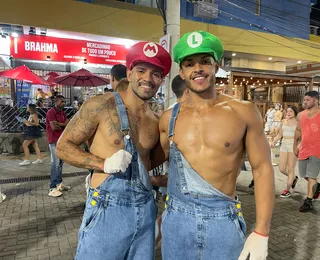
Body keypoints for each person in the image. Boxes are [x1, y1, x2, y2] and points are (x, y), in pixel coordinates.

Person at [157, 31, 274, 260]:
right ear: (182, 72)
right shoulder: (168, 118)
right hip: (177, 221)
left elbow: (262, 169)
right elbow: (156, 165)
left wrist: (262, 232)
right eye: (189, 64)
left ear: (216, 66)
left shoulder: (243, 112)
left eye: (204, 62)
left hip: (223, 220)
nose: (197, 68)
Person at [56, 41, 171, 260]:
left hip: (145, 210)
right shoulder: (100, 105)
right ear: (129, 73)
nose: (148, 78)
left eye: (156, 73)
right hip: (107, 210)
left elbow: (144, 164)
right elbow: (63, 147)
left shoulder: (156, 119)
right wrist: (103, 164)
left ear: (161, 80)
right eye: (141, 70)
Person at [294, 90, 320, 212]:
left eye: (308, 100)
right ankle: (317, 187)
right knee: (304, 174)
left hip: (317, 149)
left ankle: (308, 201)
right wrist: (295, 144)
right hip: (304, 148)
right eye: (304, 100)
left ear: (316, 100)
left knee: (311, 175)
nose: (305, 102)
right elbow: (298, 131)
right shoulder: (300, 115)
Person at [271, 106, 299, 198]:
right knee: (281, 168)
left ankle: (287, 190)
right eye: (287, 111)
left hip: (293, 145)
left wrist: (299, 146)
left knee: (291, 168)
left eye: (291, 111)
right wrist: (273, 141)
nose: (288, 113)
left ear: (295, 112)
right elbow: (279, 135)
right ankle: (294, 178)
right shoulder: (283, 122)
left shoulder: (298, 123)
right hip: (284, 145)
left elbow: (301, 137)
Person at [46, 95, 70, 197]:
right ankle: (52, 188)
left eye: (64, 102)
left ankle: (59, 184)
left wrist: (60, 124)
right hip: (54, 140)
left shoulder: (63, 113)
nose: (63, 103)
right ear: (56, 101)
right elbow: (54, 127)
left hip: (61, 140)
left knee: (60, 163)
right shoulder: (51, 112)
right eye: (61, 101)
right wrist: (63, 124)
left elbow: (68, 125)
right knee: (55, 163)